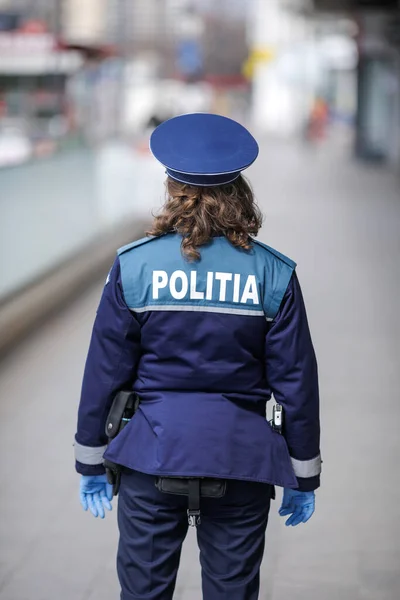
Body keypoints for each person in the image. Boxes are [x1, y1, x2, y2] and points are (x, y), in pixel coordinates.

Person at [74, 113, 321, 600]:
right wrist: (302, 473)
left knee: (143, 592)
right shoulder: (274, 275)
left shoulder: (135, 266)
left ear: (172, 188)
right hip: (243, 461)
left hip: (150, 456)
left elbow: (105, 370)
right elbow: (296, 381)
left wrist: (90, 463)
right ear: (240, 191)